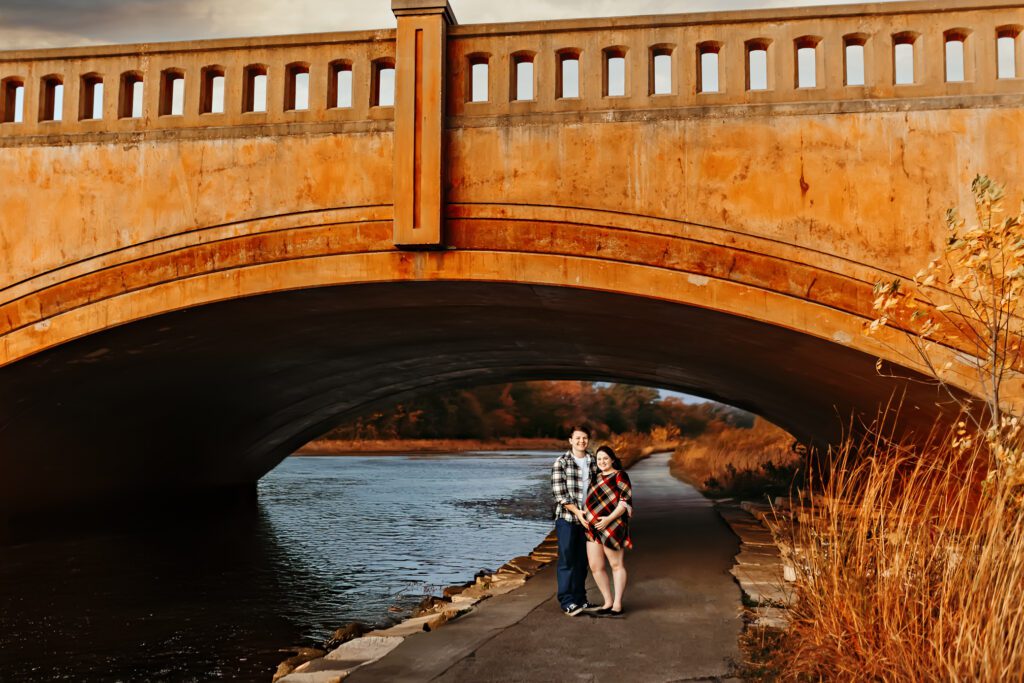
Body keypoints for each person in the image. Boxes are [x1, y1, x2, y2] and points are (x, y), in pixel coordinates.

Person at [550, 425, 601, 616]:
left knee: (582, 561)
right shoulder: (561, 462)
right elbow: (559, 494)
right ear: (570, 440)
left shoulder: (593, 462)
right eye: (578, 438)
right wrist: (579, 513)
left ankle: (581, 599)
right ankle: (567, 601)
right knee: (567, 560)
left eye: (585, 438)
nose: (581, 441)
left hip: (589, 521)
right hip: (568, 519)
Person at [584, 445, 633, 616]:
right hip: (593, 528)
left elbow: (625, 502)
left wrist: (608, 520)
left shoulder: (620, 475)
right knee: (596, 566)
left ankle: (617, 604)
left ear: (612, 459)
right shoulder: (596, 478)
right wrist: (589, 519)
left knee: (616, 565)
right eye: (599, 459)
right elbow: (589, 502)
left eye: (605, 458)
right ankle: (607, 602)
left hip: (613, 526)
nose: (602, 462)